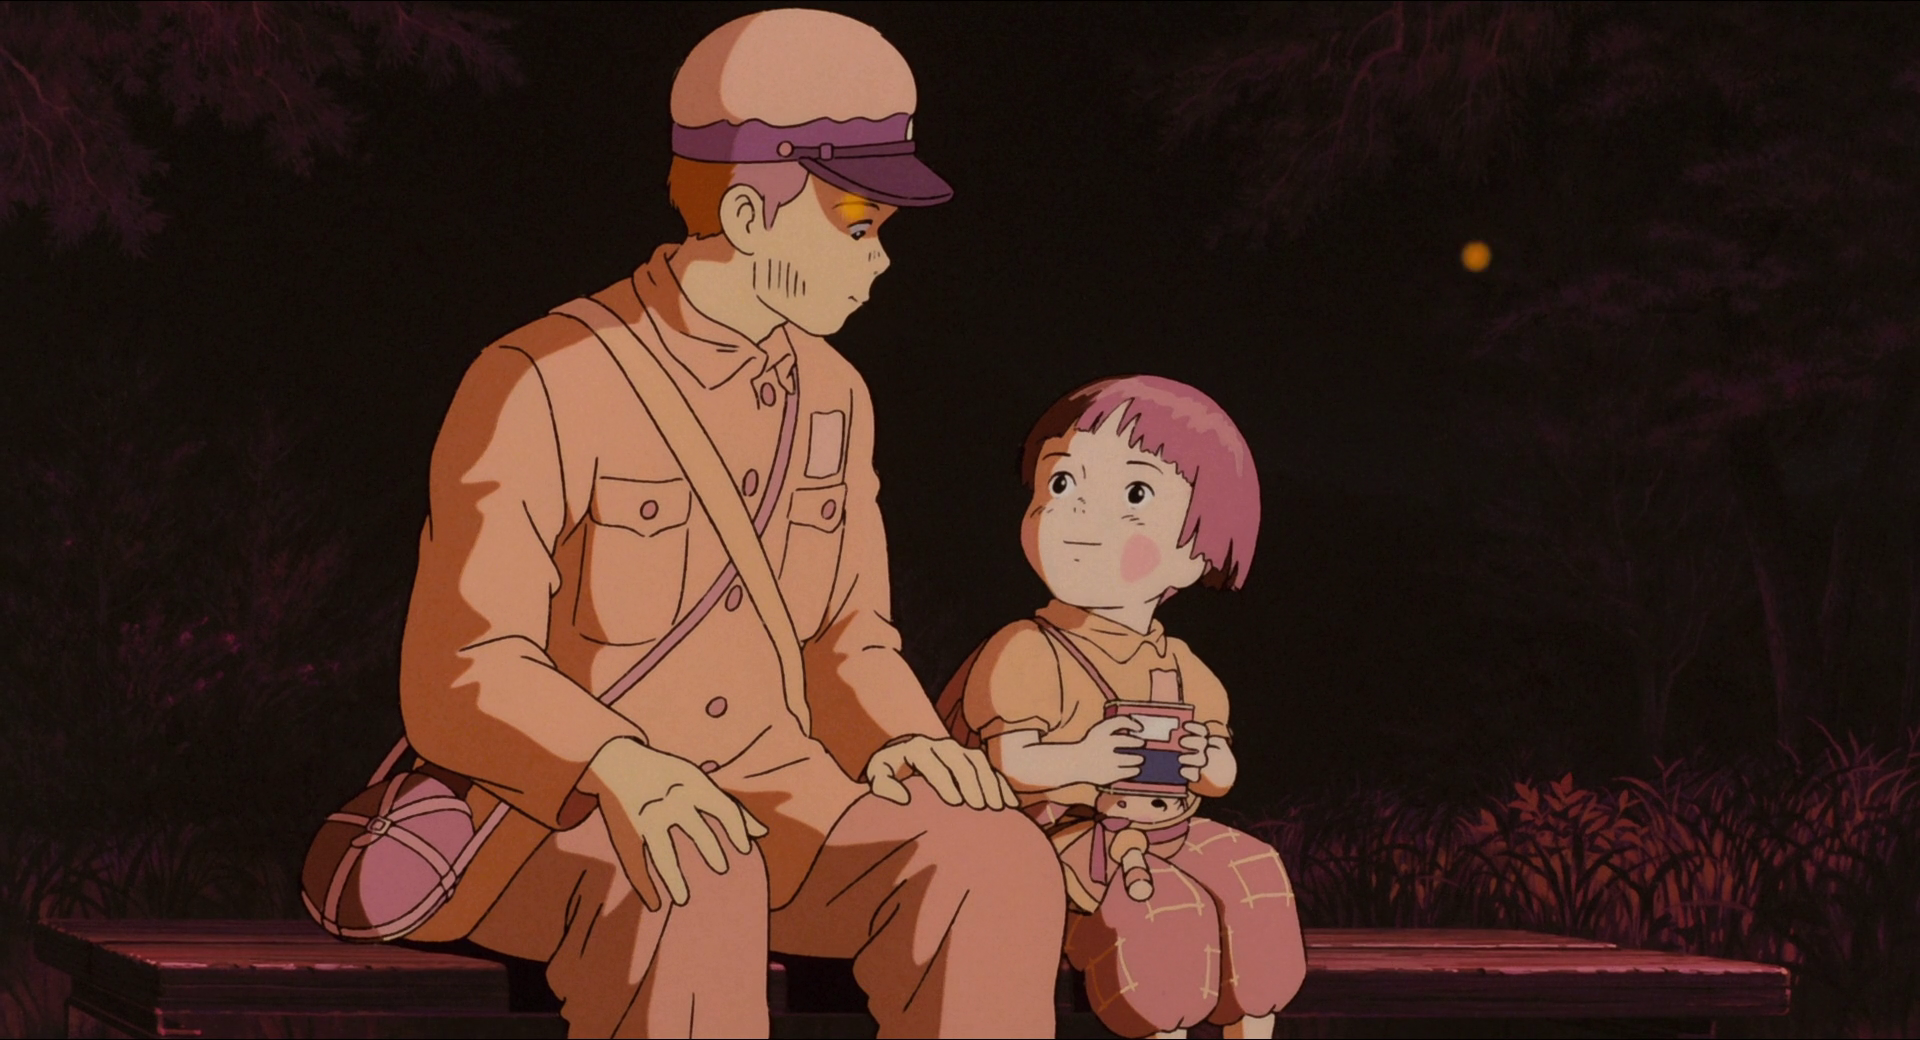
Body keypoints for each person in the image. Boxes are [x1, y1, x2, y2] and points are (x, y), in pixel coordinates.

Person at [390, 9, 1063, 1037]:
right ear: (750, 214)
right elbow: (463, 669)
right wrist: (619, 763)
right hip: (564, 810)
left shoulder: (835, 395)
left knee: (993, 858)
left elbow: (847, 637)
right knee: (695, 875)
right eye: (859, 226)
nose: (882, 260)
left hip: (781, 801)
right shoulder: (541, 377)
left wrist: (903, 739)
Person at [936, 375, 1309, 1039]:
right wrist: (1084, 758)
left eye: (1134, 495)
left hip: (1164, 827)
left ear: (1195, 555)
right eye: (1061, 484)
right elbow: (1008, 763)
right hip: (1049, 838)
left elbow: (1221, 775)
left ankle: (1254, 1023)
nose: (1079, 514)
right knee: (1167, 912)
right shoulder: (1026, 648)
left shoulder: (1182, 666)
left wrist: (1204, 760)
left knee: (1255, 878)